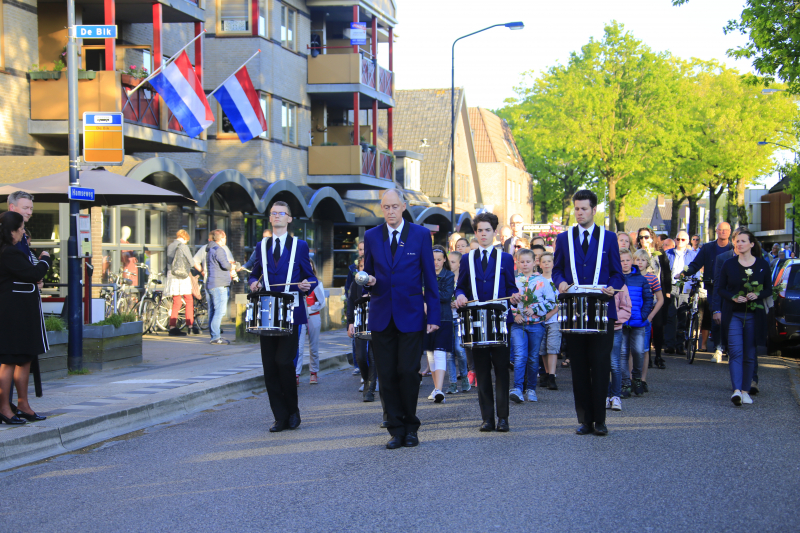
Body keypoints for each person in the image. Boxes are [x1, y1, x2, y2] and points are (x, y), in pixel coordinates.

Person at [362, 189, 440, 449]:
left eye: (395, 206)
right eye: (386, 207)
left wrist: (434, 314)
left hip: (411, 314)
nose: (391, 211)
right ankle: (395, 429)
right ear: (381, 209)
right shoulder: (372, 236)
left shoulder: (419, 235)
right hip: (382, 314)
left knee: (407, 372)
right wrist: (368, 282)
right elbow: (368, 275)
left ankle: (411, 426)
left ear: (404, 206)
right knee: (386, 374)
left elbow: (430, 278)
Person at [553, 190, 624, 436]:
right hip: (574, 310)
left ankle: (601, 420)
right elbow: (557, 270)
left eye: (584, 208)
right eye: (576, 208)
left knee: (601, 364)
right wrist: (560, 282)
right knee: (579, 367)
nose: (579, 212)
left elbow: (618, 272)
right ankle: (584, 419)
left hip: (602, 309)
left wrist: (612, 287)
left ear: (594, 210)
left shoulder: (609, 238)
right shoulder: (564, 238)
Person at [249, 201, 316, 432]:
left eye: (281, 213)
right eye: (273, 213)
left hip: (290, 313)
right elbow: (255, 273)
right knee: (269, 367)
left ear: (289, 218)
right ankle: (280, 416)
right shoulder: (262, 245)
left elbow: (311, 277)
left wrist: (308, 284)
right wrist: (252, 284)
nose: (277, 216)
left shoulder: (300, 245)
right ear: (270, 218)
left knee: (284, 362)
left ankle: (293, 411)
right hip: (267, 312)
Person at [455, 212, 521, 432]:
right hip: (476, 321)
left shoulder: (506, 258)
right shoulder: (467, 259)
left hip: (499, 321)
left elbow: (511, 286)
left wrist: (514, 295)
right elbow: (460, 286)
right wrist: (460, 295)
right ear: (475, 233)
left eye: (487, 230)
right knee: (481, 371)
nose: (483, 234)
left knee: (501, 370)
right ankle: (487, 419)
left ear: (495, 232)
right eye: (479, 231)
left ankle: (503, 418)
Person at [0, 211, 51, 424]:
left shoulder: (14, 251)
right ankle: (4, 408)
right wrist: (46, 260)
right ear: (11, 231)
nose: (23, 232)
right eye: (21, 229)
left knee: (25, 357)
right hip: (13, 313)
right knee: (9, 359)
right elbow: (32, 273)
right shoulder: (8, 252)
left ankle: (23, 404)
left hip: (23, 313)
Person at [716, 228, 771, 406]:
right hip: (734, 314)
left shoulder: (762, 264)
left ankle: (746, 390)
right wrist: (732, 297)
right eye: (737, 241)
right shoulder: (729, 264)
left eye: (743, 241)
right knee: (735, 352)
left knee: (750, 353)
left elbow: (768, 289)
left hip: (754, 315)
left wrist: (758, 295)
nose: (739, 244)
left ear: (752, 244)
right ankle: (737, 391)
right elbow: (721, 288)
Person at [7, 191, 43, 406]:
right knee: (12, 358)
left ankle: (18, 404)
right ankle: (9, 404)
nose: (29, 212)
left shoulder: (22, 237)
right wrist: (39, 269)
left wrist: (36, 280)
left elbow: (27, 270)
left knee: (23, 357)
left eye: (31, 208)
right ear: (12, 208)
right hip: (13, 307)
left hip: (24, 304)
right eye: (25, 208)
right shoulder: (9, 240)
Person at [509, 248, 555, 404]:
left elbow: (551, 302)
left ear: (534, 262)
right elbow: (508, 300)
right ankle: (517, 388)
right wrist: (516, 314)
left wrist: (534, 309)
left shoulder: (542, 281)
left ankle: (531, 389)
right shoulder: (514, 281)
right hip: (519, 325)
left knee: (533, 357)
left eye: (528, 261)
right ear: (517, 263)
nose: (525, 264)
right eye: (521, 262)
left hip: (536, 325)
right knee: (520, 356)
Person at [681, 222, 732, 358]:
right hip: (713, 286)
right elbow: (696, 264)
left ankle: (728, 345)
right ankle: (718, 347)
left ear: (730, 231)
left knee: (730, 316)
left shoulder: (734, 248)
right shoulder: (708, 248)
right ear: (716, 231)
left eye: (725, 230)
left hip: (730, 287)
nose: (723, 232)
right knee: (716, 314)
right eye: (720, 230)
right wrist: (685, 272)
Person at [619, 248, 654, 397]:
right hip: (621, 323)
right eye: (622, 261)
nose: (625, 263)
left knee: (639, 352)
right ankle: (626, 383)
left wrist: (643, 315)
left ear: (631, 261)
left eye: (627, 260)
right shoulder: (615, 278)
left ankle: (637, 378)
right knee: (622, 353)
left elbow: (649, 299)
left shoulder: (641, 279)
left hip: (638, 322)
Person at [424, 245, 455, 403]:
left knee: (440, 352)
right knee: (430, 354)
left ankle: (439, 389)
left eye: (439, 259)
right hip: (426, 318)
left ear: (444, 260)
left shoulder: (448, 275)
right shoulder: (423, 274)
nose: (435, 262)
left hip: (443, 317)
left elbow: (446, 296)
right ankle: (436, 389)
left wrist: (427, 291)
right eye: (433, 259)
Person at [633, 249, 665, 381]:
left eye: (643, 260)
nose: (640, 262)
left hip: (645, 318)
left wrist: (651, 315)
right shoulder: (629, 276)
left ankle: (643, 379)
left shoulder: (652, 277)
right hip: (631, 317)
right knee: (630, 350)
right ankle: (629, 378)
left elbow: (660, 299)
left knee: (644, 349)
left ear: (647, 262)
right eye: (637, 259)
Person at [664, 231, 698, 355]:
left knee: (683, 316)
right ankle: (669, 345)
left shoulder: (693, 255)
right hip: (671, 286)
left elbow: (696, 270)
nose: (680, 242)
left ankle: (680, 345)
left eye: (683, 239)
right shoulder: (668, 254)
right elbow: (664, 272)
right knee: (670, 315)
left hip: (686, 286)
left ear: (687, 241)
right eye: (678, 239)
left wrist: (695, 284)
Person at [296, 259, 326, 385]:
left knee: (314, 346)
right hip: (301, 317)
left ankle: (314, 372)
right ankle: (296, 374)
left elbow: (322, 302)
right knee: (299, 347)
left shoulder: (317, 283)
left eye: (310, 264)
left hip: (313, 315)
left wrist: (310, 308)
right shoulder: (297, 283)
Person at [537, 252, 562, 391]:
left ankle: (552, 375)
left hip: (554, 319)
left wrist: (550, 313)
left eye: (549, 261)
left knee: (552, 347)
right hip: (540, 319)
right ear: (539, 264)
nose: (546, 264)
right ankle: (546, 373)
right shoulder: (538, 280)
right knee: (543, 348)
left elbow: (559, 301)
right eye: (544, 261)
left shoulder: (557, 280)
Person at [165, 229, 197, 336]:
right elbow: (191, 262)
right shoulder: (183, 246)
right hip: (182, 276)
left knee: (176, 301)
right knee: (189, 300)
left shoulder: (170, 246)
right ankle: (190, 326)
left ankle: (172, 327)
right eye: (186, 240)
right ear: (184, 238)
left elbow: (169, 262)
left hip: (172, 275)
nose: (186, 242)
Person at [447, 251, 470, 393]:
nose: (450, 264)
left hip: (461, 319)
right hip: (448, 318)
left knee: (460, 350)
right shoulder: (445, 278)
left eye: (453, 261)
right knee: (449, 352)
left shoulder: (465, 279)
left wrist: (461, 302)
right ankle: (452, 382)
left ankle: (465, 377)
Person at [606, 284, 631, 411]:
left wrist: (612, 320)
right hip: (600, 328)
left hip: (615, 328)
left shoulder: (621, 285)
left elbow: (626, 308)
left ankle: (615, 396)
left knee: (615, 363)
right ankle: (604, 395)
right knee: (602, 363)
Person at [205, 230, 233, 345]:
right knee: (220, 311)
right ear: (221, 238)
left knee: (213, 311)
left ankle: (213, 336)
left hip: (211, 283)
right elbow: (226, 266)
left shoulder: (210, 249)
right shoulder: (219, 250)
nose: (225, 240)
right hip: (219, 284)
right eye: (225, 238)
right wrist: (233, 265)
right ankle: (216, 337)